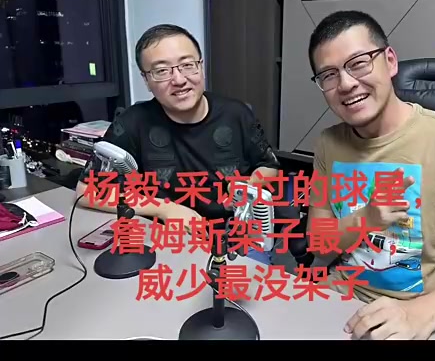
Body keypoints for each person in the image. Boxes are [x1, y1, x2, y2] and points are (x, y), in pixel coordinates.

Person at [307, 10, 435, 340]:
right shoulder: (328, 144)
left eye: (358, 63)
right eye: (329, 75)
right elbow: (319, 243)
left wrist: (418, 314)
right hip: (345, 305)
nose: (346, 84)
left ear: (389, 61)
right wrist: (366, 218)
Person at [76, 24, 309, 265]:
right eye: (161, 71)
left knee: (245, 284)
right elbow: (85, 192)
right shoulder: (132, 122)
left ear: (201, 66)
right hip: (167, 236)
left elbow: (269, 166)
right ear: (146, 80)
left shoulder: (236, 114)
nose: (179, 80)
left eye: (187, 65)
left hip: (234, 234)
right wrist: (164, 209)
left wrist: (247, 187)